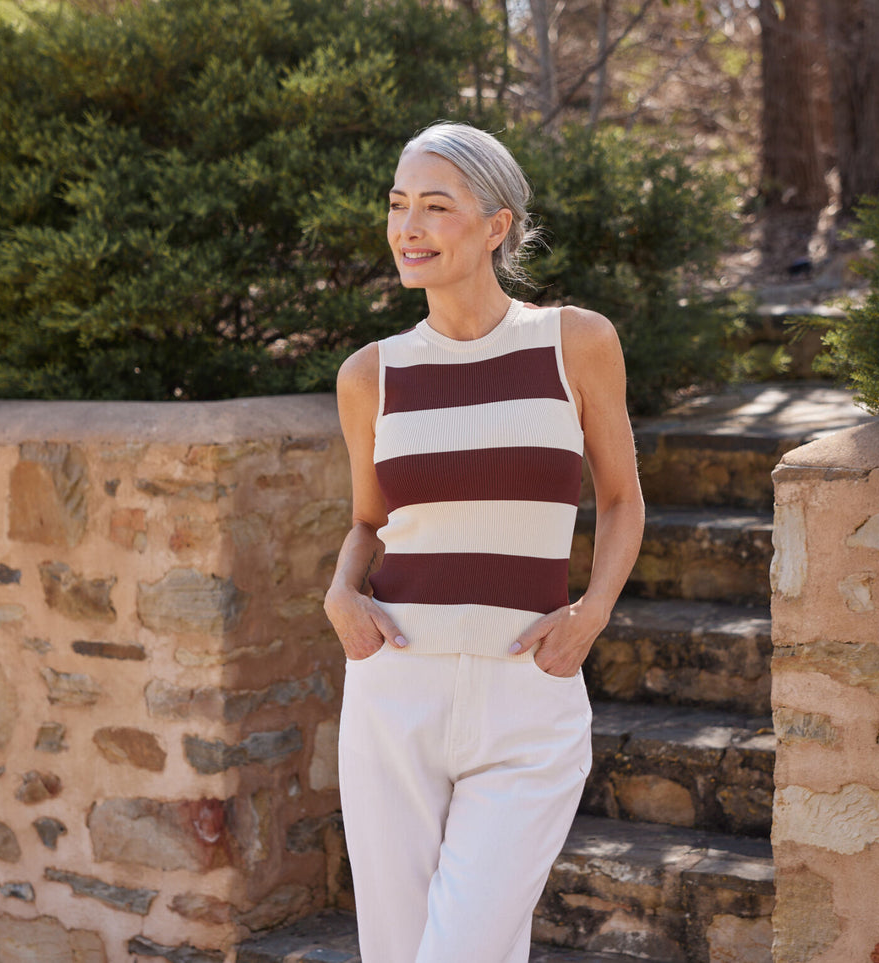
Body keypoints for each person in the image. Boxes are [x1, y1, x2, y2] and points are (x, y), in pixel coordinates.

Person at [323, 122, 645, 963]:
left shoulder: (574, 342)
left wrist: (591, 613)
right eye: (398, 206)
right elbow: (368, 519)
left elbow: (620, 499)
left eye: (436, 206)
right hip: (394, 689)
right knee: (395, 951)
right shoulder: (371, 374)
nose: (408, 228)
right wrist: (339, 590)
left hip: (527, 692)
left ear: (496, 225)